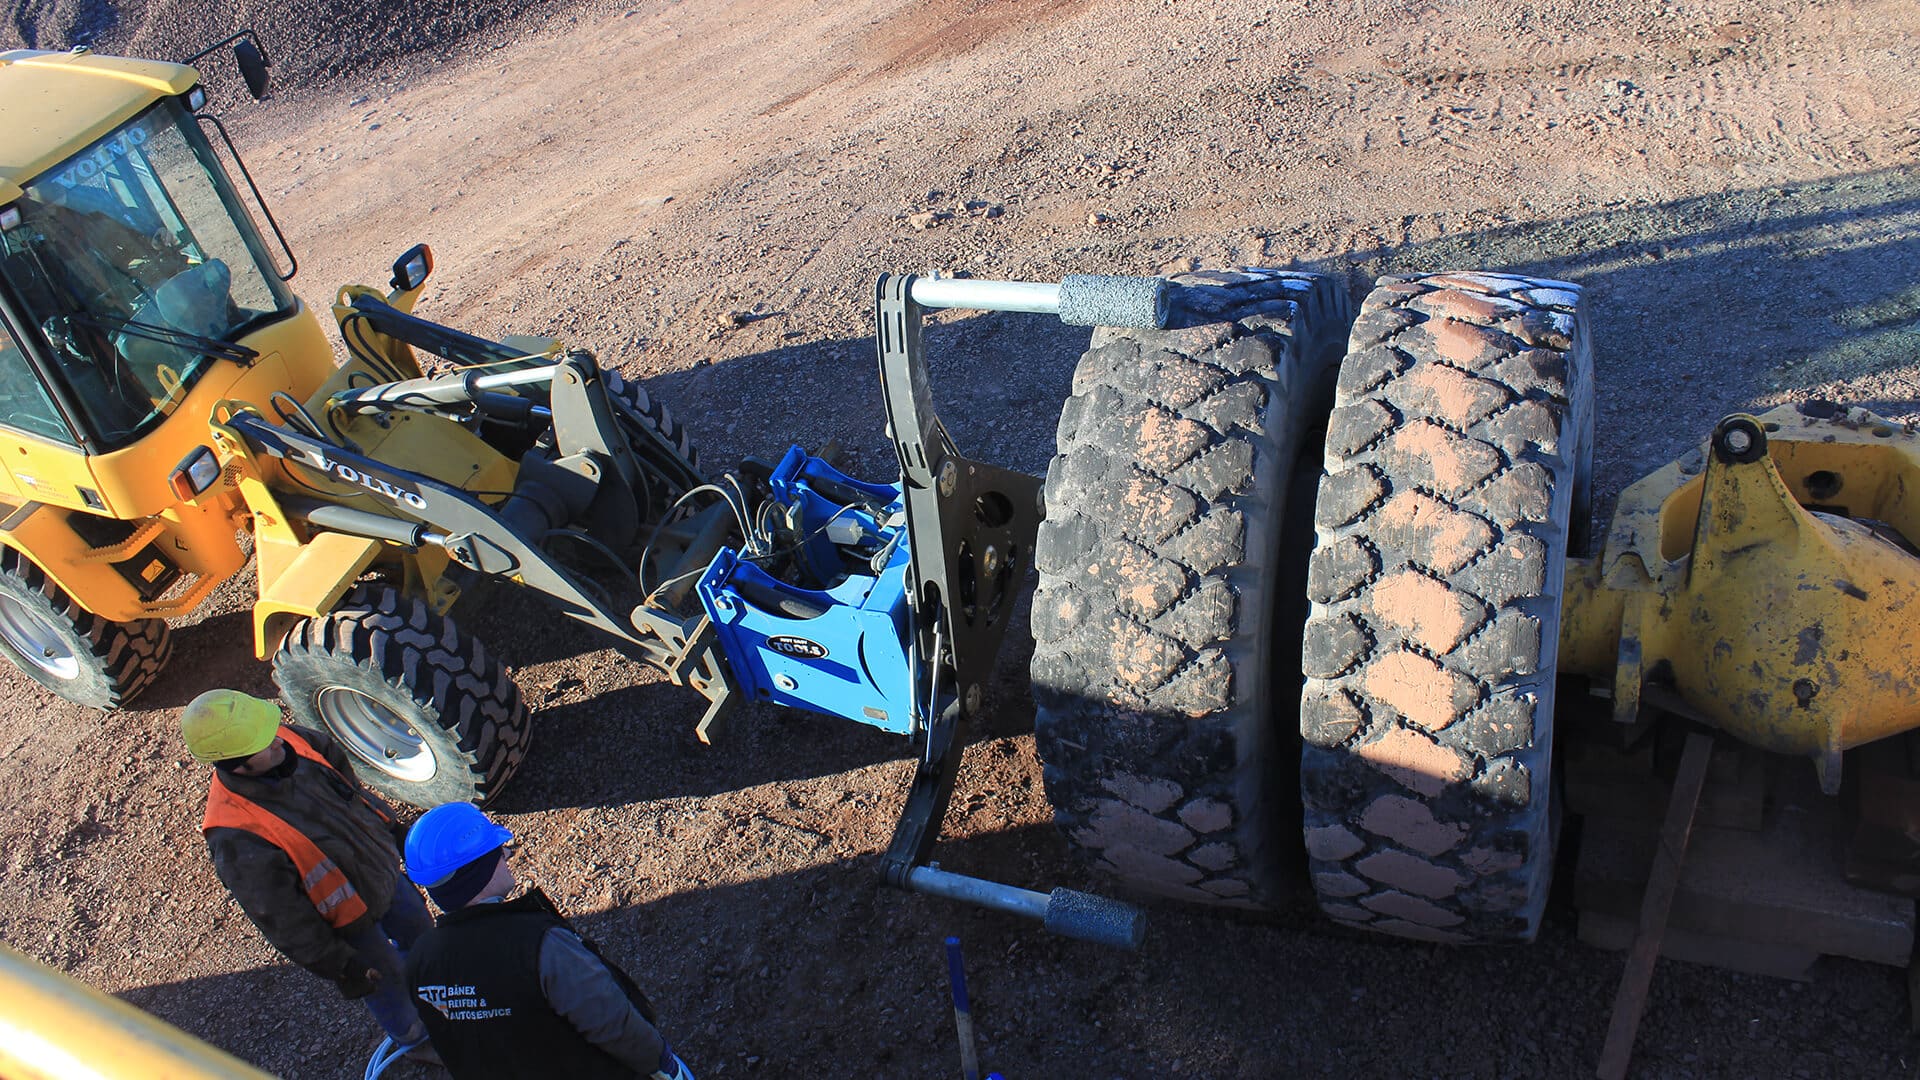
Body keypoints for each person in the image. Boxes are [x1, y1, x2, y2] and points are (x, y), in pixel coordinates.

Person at [182, 688, 439, 1064]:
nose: (277, 741)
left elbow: (352, 792)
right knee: (383, 979)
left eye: (270, 730)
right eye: (263, 744)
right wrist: (339, 964)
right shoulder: (236, 833)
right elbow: (283, 919)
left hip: (382, 873)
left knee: (420, 931)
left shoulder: (295, 740)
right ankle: (415, 1040)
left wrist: (391, 830)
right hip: (349, 922)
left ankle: (439, 990)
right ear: (236, 765)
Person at [403, 803, 694, 1080]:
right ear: (478, 872)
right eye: (497, 851)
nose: (507, 854)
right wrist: (660, 1062)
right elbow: (613, 1023)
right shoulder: (540, 944)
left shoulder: (420, 960)